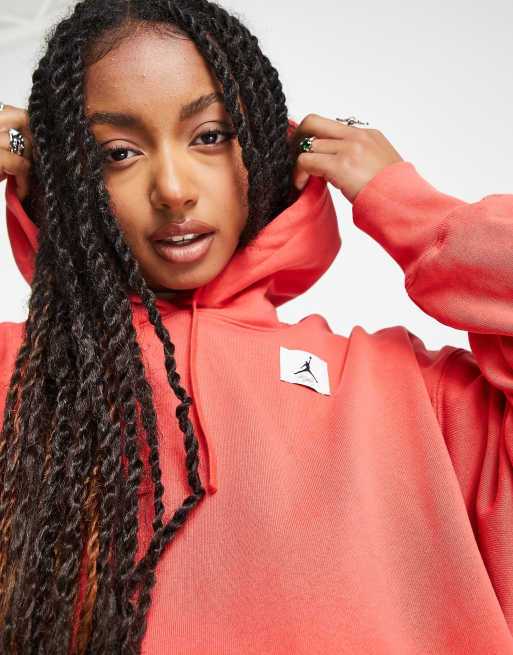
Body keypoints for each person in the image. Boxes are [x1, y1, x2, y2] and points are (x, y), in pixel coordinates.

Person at [1, 0, 513, 653]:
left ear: (267, 144)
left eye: (210, 136)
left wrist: (409, 206)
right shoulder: (18, 377)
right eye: (118, 152)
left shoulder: (415, 394)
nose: (173, 188)